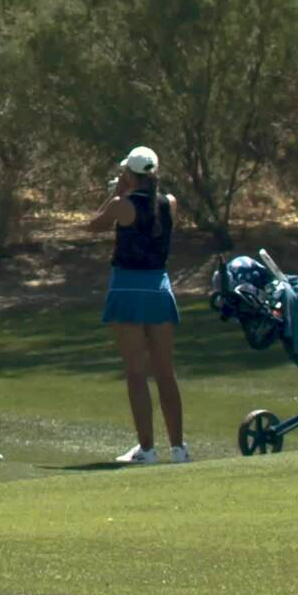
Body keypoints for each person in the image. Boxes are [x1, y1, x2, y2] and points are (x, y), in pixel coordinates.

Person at [88, 145, 185, 464]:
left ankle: (147, 449)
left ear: (130, 173)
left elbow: (94, 225)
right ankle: (178, 448)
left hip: (128, 288)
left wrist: (116, 194)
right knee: (165, 372)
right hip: (159, 288)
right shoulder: (169, 203)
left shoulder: (121, 205)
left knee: (136, 373)